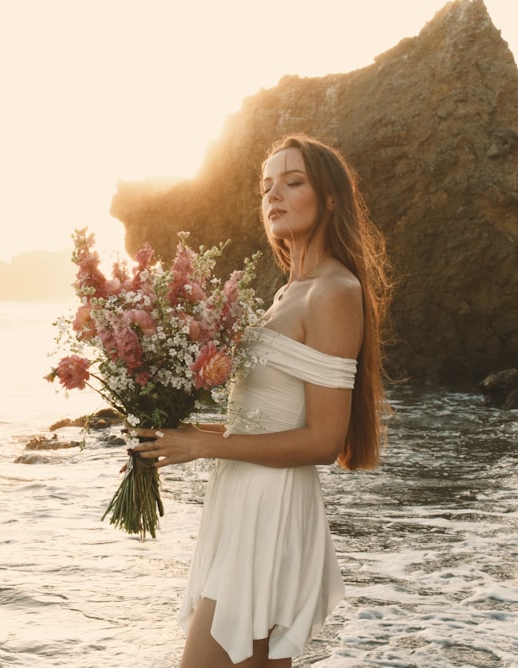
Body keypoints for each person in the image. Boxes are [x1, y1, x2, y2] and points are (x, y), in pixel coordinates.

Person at [136, 134, 391, 667]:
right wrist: (177, 435)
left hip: (270, 507)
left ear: (330, 199)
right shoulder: (287, 292)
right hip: (241, 500)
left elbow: (324, 441)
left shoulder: (333, 292)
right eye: (266, 187)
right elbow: (260, 419)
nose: (274, 195)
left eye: (293, 183)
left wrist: (206, 448)